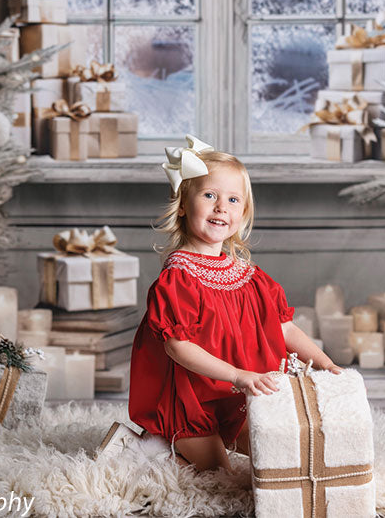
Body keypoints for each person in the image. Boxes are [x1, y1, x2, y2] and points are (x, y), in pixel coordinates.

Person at [98, 135, 341, 472]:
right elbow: (177, 347)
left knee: (281, 459)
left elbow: (284, 328)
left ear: (242, 213)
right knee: (219, 475)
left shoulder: (252, 278)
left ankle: (183, 448)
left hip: (239, 398)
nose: (220, 207)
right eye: (209, 195)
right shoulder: (179, 278)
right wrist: (238, 375)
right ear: (183, 205)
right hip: (190, 401)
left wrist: (326, 365)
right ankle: (152, 448)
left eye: (232, 199)